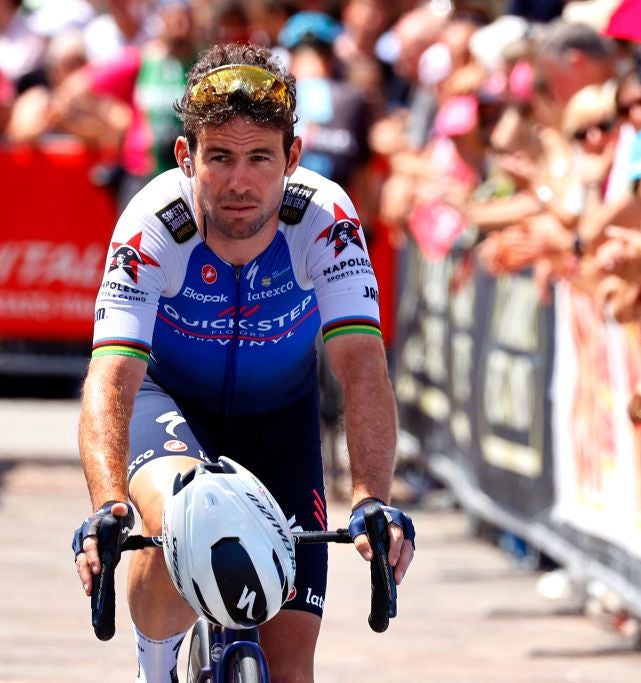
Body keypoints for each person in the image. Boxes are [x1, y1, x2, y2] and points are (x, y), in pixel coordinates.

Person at [70, 43, 415, 683]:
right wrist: (110, 503)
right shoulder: (153, 223)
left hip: (278, 422)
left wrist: (372, 498)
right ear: (185, 157)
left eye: (260, 158)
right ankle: (155, 668)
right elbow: (112, 376)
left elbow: (363, 368)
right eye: (219, 157)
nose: (239, 182)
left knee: (290, 671)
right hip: (169, 409)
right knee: (187, 513)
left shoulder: (324, 218)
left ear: (292, 157)